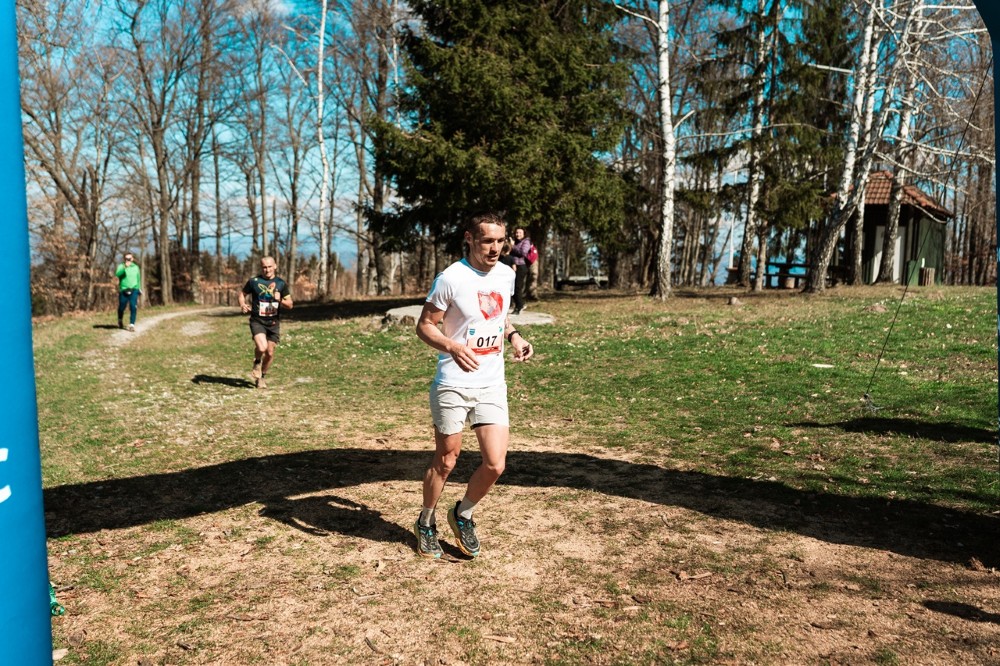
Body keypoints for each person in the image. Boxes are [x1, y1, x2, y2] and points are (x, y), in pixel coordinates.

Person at [413, 212, 534, 559]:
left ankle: (462, 513)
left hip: (492, 381)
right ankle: (425, 520)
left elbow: (498, 317)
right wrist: (452, 346)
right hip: (453, 381)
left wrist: (514, 336)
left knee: (496, 464)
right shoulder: (451, 278)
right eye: (487, 241)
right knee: (447, 460)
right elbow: (424, 326)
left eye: (500, 240)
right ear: (469, 238)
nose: (495, 248)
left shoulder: (507, 274)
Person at [238, 256, 293, 389]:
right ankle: (257, 361)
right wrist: (242, 304)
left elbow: (290, 305)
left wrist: (280, 300)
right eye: (264, 267)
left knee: (269, 353)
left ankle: (262, 377)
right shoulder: (254, 281)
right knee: (261, 348)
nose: (267, 270)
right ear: (261, 267)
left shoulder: (281, 283)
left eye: (269, 267)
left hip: (273, 323)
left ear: (275, 266)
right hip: (257, 321)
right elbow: (242, 293)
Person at [115, 252, 142, 332]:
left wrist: (139, 288)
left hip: (134, 289)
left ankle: (131, 324)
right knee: (121, 307)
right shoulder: (121, 266)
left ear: (132, 259)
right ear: (124, 259)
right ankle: (120, 320)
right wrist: (125, 267)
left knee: (133, 306)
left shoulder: (136, 267)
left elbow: (138, 278)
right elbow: (118, 274)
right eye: (126, 259)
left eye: (129, 259)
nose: (128, 260)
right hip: (123, 289)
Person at [507, 226, 532, 314]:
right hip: (513, 266)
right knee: (512, 287)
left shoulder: (526, 241)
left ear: (524, 234)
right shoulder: (515, 242)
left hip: (521, 266)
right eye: (516, 233)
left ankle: (520, 306)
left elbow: (523, 253)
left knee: (517, 287)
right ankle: (519, 305)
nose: (517, 234)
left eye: (520, 233)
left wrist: (513, 246)